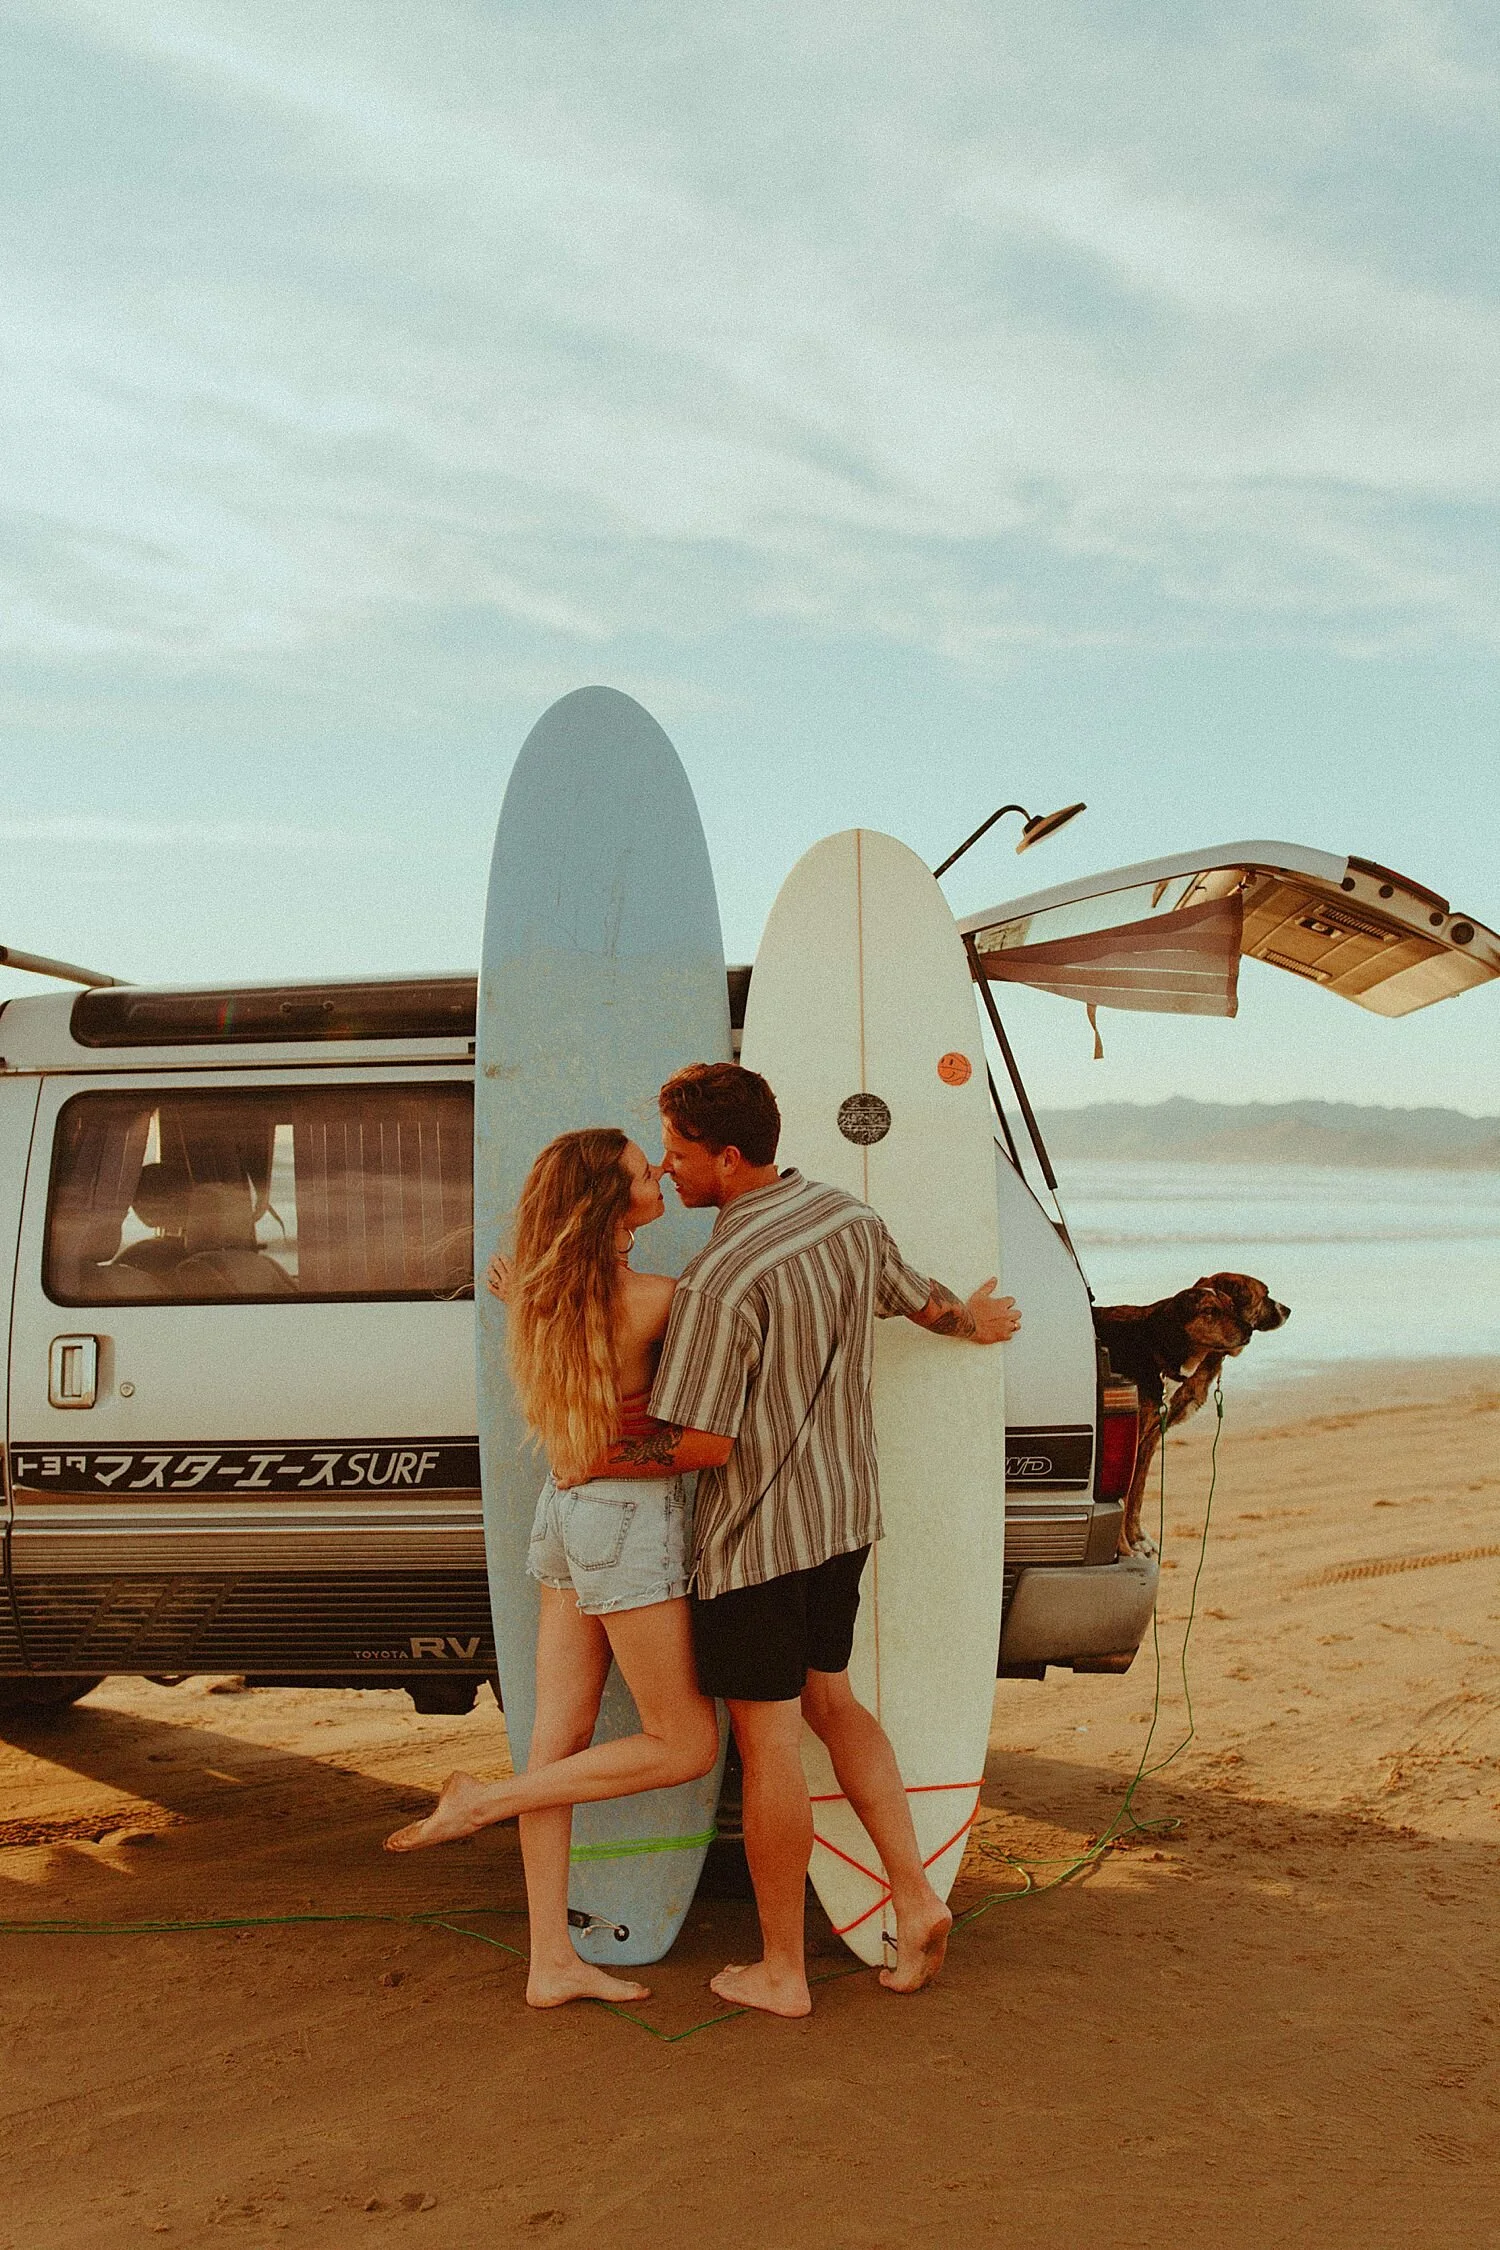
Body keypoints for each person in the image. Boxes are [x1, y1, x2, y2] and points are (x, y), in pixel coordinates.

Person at [580, 1062, 1020, 2018]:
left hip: (756, 1544)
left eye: (681, 1155)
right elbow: (920, 1300)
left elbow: (701, 1442)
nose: (670, 1169)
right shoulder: (844, 1217)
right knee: (835, 1701)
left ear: (729, 1158)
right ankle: (914, 1891)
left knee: (768, 1747)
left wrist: (596, 1451)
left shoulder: (716, 1281)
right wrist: (974, 1325)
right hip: (842, 1518)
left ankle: (781, 1970)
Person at [384, 1129, 725, 2011]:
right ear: (614, 1207)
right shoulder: (660, 1299)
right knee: (686, 1744)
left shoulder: (535, 1296)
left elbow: (577, 1391)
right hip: (624, 1520)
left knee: (555, 1746)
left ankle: (549, 1961)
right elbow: (699, 1434)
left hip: (564, 1515)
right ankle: (482, 1802)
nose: (658, 1177)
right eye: (644, 1175)